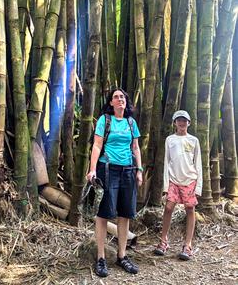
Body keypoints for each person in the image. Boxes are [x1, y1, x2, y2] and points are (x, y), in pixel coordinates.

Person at [86, 88, 143, 277]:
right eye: (116, 97)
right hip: (107, 170)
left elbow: (135, 147)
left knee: (125, 214)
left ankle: (122, 255)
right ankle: (101, 257)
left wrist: (139, 170)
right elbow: (97, 145)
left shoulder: (131, 122)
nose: (120, 100)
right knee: (103, 214)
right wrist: (92, 169)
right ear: (111, 102)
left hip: (127, 170)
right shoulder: (105, 120)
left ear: (126, 101)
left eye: (122, 97)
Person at [154, 110, 202, 260]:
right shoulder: (170, 139)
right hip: (174, 179)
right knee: (168, 208)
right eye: (179, 120)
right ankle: (163, 241)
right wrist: (166, 186)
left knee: (190, 209)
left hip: (190, 179)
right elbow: (167, 162)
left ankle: (187, 245)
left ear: (189, 123)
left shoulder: (194, 140)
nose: (182, 123)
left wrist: (198, 186)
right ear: (174, 123)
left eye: (184, 120)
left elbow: (198, 164)